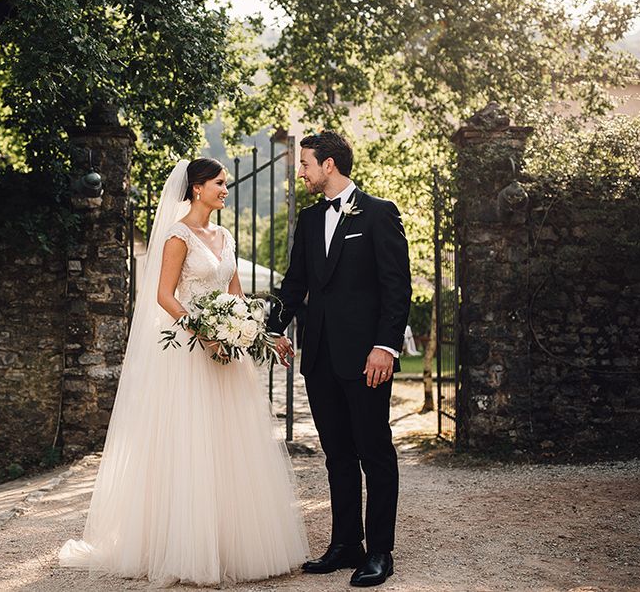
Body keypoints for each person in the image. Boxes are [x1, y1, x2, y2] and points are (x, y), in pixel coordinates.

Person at [59, 158, 308, 587]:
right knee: (191, 445)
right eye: (219, 183)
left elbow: (236, 295)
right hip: (192, 355)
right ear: (196, 189)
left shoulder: (225, 236)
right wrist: (204, 332)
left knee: (230, 447)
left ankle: (232, 543)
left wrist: (252, 332)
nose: (226, 190)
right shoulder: (178, 236)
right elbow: (163, 295)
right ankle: (183, 546)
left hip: (229, 356)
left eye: (226, 183)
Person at [269, 131, 411, 588]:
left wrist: (385, 347)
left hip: (368, 357)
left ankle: (380, 552)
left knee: (375, 451)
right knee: (337, 455)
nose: (302, 172)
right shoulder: (310, 220)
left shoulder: (379, 212)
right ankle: (346, 543)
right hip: (322, 358)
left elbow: (397, 288)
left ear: (329, 165)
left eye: (306, 163)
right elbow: (295, 285)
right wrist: (267, 328)